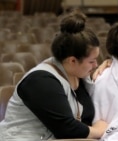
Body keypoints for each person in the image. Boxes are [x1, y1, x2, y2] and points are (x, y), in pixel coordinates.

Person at [0, 10, 108, 140]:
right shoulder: (40, 81)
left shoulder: (77, 75)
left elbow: (84, 118)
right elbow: (67, 128)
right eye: (92, 61)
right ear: (72, 60)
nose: (96, 65)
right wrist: (99, 131)